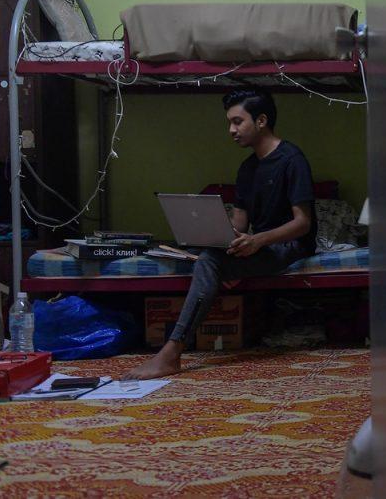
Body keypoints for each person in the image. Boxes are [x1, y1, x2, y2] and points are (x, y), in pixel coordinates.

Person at [126, 89, 318, 379]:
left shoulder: (292, 159)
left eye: (238, 121)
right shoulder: (247, 168)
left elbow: (303, 223)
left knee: (209, 263)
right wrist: (211, 231)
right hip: (260, 245)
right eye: (230, 122)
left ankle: (172, 352)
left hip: (290, 246)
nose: (231, 130)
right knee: (207, 255)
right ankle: (172, 351)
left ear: (262, 120)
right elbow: (240, 224)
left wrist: (257, 241)